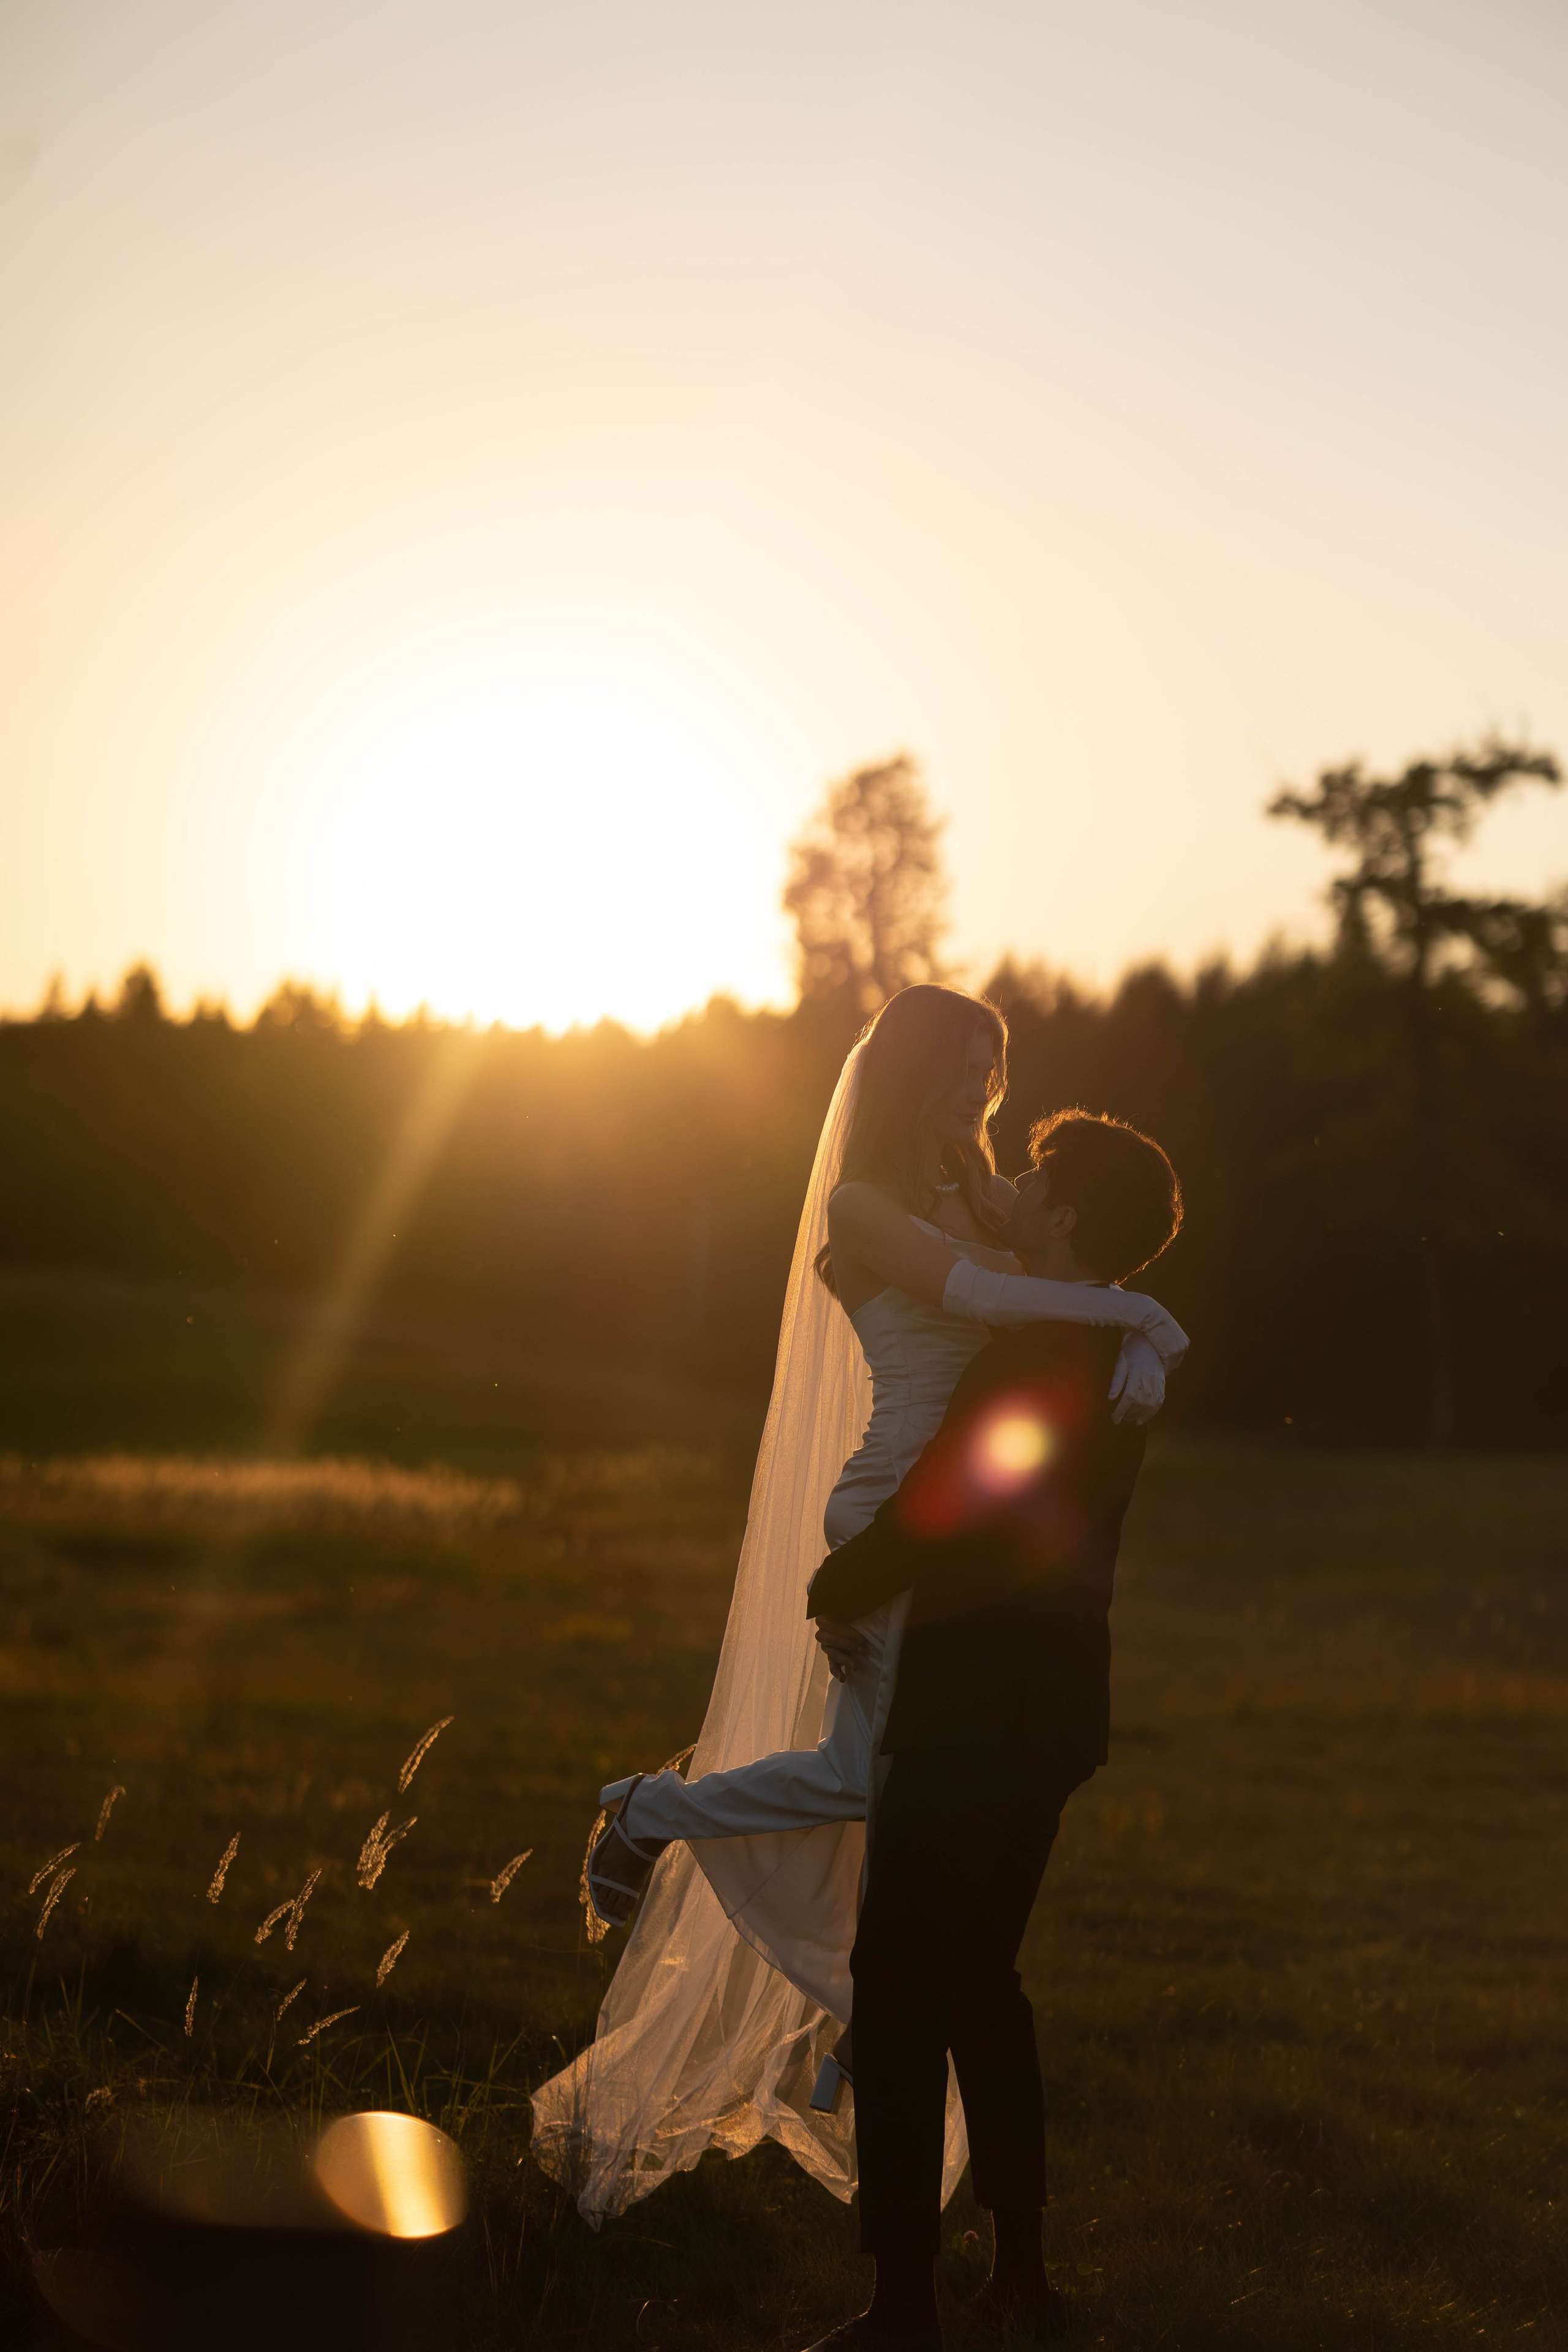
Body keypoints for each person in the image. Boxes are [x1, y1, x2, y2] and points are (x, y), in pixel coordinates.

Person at [530, 987, 1185, 2228]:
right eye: (967, 1066)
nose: (985, 1090)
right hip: (894, 1504)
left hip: (955, 1512)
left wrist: (1132, 1333)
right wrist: (1141, 1321)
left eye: (996, 1067)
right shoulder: (863, 1204)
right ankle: (655, 1813)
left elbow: (1071, 1253)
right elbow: (996, 1301)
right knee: (865, 1779)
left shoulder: (975, 1184)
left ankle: (850, 2026)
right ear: (912, 1070)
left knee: (891, 1787)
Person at [796, 1109, 1183, 2352]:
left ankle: (897, 2305)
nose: (1011, 1186)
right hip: (1055, 1705)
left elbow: (949, 1510)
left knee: (899, 1987)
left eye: (1033, 1178)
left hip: (977, 1707)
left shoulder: (1036, 1362)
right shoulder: (1111, 1360)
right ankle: (1019, 2275)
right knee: (979, 1983)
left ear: (1064, 1221)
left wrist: (834, 1586)